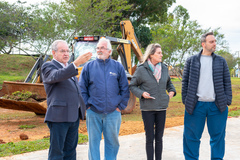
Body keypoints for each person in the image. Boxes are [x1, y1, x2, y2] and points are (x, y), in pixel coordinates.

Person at [182, 32, 232, 160]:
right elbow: (185, 82)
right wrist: (186, 100)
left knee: (218, 138)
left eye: (215, 41)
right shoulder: (191, 61)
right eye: (211, 42)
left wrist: (227, 100)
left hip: (217, 106)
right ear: (203, 44)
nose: (214, 44)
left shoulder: (221, 61)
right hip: (196, 105)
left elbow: (227, 81)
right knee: (191, 137)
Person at [79, 37, 130, 160]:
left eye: (102, 48)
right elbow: (81, 88)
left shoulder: (118, 67)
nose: (99, 50)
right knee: (93, 143)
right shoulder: (88, 67)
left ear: (109, 51)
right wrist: (87, 106)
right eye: (98, 48)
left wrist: (120, 107)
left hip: (113, 113)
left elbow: (125, 89)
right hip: (93, 112)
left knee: (113, 143)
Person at [41, 40, 92, 160]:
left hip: (73, 116)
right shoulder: (48, 66)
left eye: (68, 51)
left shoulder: (68, 69)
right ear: (54, 53)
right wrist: (75, 64)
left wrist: (82, 107)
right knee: (57, 153)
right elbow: (56, 76)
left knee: (70, 152)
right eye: (62, 51)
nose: (66, 53)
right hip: (59, 117)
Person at [129, 43, 176, 160]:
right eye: (159, 53)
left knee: (159, 138)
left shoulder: (164, 68)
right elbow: (132, 86)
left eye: (161, 52)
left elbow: (169, 83)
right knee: (150, 138)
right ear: (151, 55)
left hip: (162, 108)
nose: (161, 55)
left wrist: (171, 92)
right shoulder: (141, 69)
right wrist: (142, 94)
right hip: (147, 109)